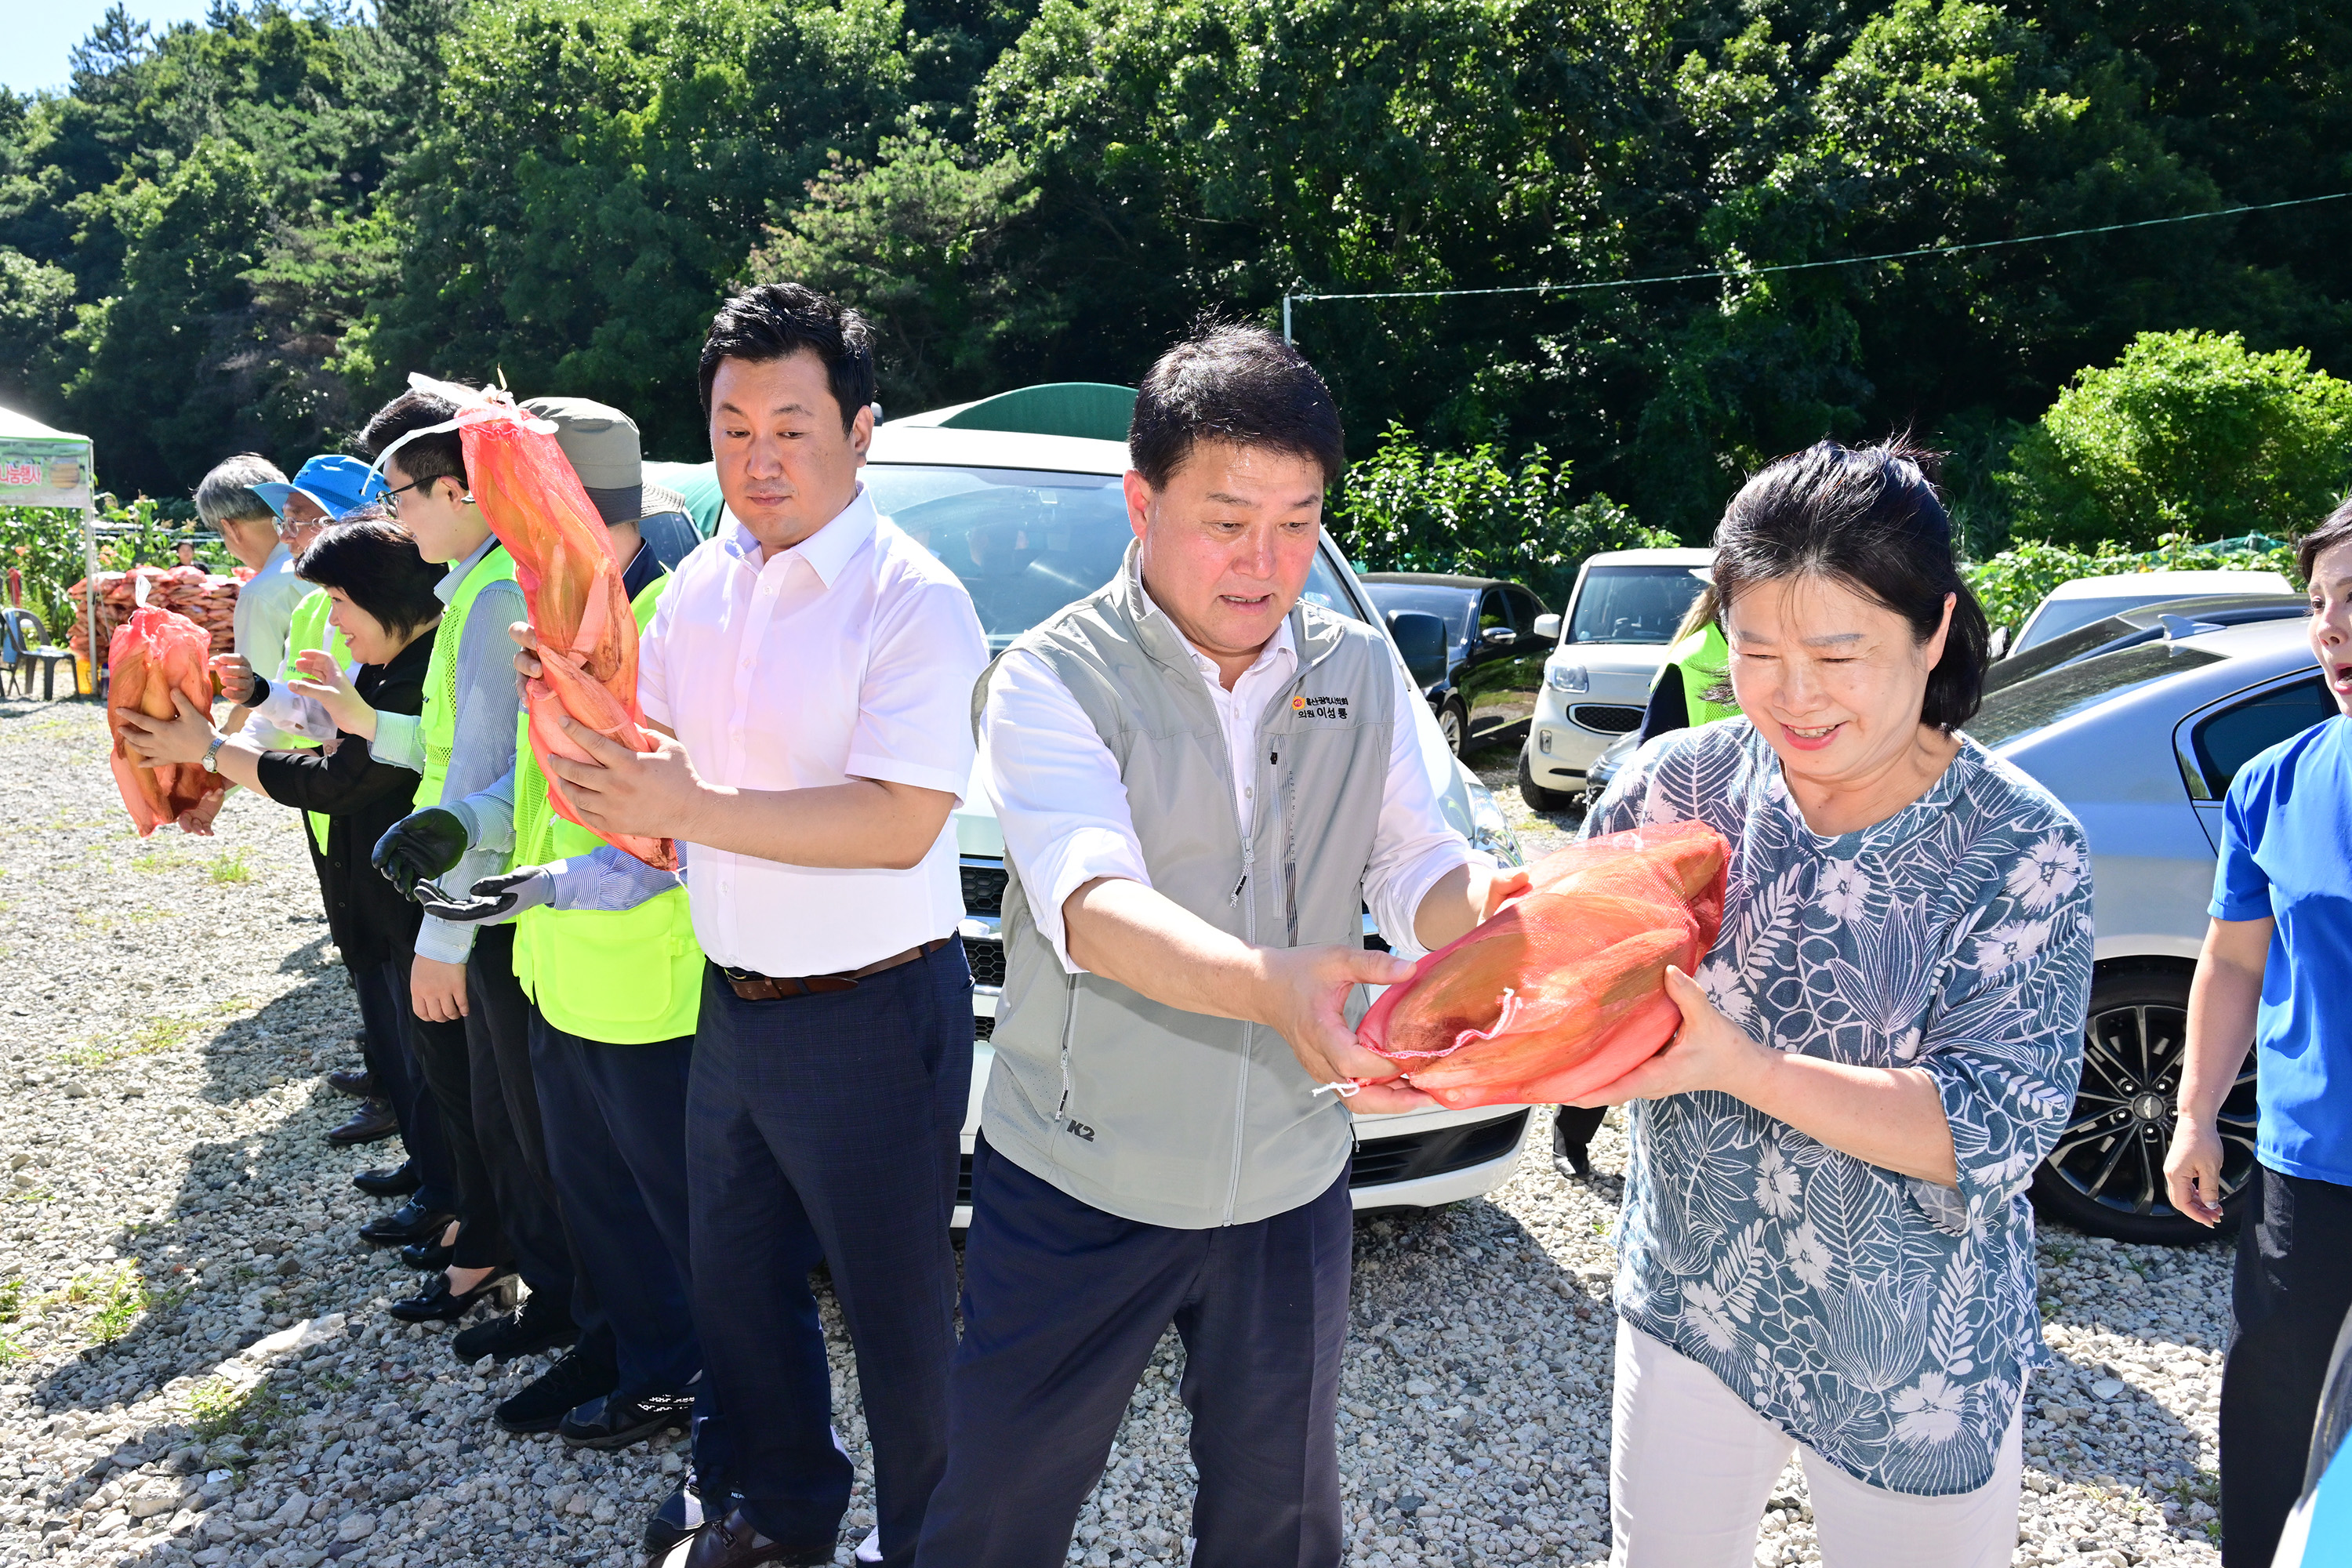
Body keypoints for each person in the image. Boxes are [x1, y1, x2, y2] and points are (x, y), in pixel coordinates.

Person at [913, 323, 1505, 1568]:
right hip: (1081, 1179)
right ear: (1143, 501)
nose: (1266, 562)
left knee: (1280, 1521)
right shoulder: (1051, 679)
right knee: (998, 1510)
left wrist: (1496, 931)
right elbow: (1089, 902)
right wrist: (1265, 988)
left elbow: (1412, 863)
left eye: (1300, 522)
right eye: (1227, 518)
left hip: (1291, 1177)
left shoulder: (1359, 669)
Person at [512, 282, 986, 1568]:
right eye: (733, 428)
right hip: (732, 1001)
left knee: (896, 1315)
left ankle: (939, 1539)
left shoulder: (911, 599)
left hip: (877, 1008)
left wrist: (684, 798)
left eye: (792, 425)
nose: (759, 456)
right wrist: (575, 704)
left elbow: (898, 821)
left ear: (862, 429)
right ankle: (775, 1515)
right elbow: (657, 784)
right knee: (739, 1287)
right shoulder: (703, 591)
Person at [1575, 440, 2090, 1566]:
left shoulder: (2021, 844)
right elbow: (1571, 981)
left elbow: (1994, 1129)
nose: (1793, 694)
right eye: (1756, 648)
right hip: (1695, 1297)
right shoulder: (1674, 790)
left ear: (1936, 630)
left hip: (1913, 1349)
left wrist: (1743, 1065)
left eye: (1838, 652)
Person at [406, 395, 709, 1458]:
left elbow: (659, 850)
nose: (511, 535)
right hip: (556, 973)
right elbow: (527, 792)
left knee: (658, 1210)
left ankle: (674, 1375)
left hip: (646, 988)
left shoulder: (671, 625)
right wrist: (451, 829)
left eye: (520, 505)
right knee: (591, 1204)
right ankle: (611, 1342)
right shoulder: (564, 612)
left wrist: (529, 888)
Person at [115, 514, 465, 1272]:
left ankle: (456, 1204)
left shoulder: (419, 668)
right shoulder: (383, 659)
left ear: (383, 597)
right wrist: (268, 695)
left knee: (431, 1061)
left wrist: (207, 750)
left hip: (407, 903)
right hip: (365, 889)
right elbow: (324, 734)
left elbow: (341, 779)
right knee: (396, 1046)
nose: (333, 621)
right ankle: (433, 1176)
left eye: (341, 602)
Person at [321, 390, 581, 1389]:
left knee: (515, 1119)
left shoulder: (496, 594)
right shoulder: (478, 586)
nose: (398, 520)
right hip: (463, 888)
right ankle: (549, 1292)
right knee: (497, 1108)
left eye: (405, 496)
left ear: (463, 491)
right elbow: (445, 752)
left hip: (480, 902)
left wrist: (446, 935)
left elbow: (485, 784)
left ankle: (556, 1297)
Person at [2164, 499, 2352, 1568]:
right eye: (2319, 605)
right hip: (2306, 1181)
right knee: (2276, 1444)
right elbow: (2234, 961)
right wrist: (2196, 1115)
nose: (2331, 629)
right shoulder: (2276, 781)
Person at [1553, 579, 1740, 1182]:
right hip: (1686, 871)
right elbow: (1651, 764)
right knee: (1635, 1006)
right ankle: (1572, 1131)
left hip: (1739, 871)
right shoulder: (1695, 660)